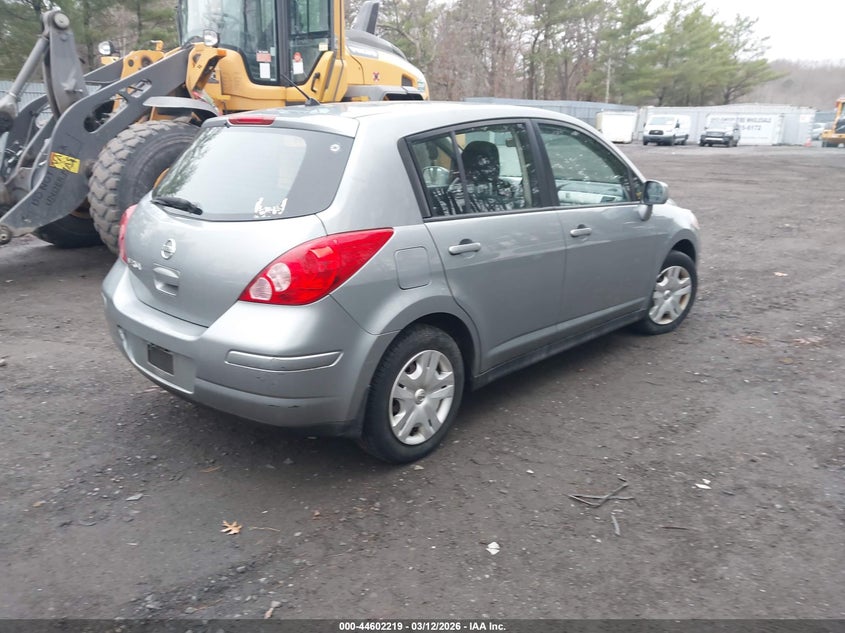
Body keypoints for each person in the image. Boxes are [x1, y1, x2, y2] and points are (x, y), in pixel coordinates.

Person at [453, 140, 520, 213]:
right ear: (472, 165)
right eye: (487, 165)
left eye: (496, 162)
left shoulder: (506, 187)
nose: (495, 168)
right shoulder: (460, 192)